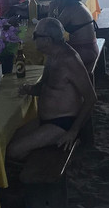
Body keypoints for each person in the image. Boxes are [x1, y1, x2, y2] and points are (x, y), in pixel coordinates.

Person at [7, 17, 97, 160]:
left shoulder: (70, 60)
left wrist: (73, 131)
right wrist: (28, 89)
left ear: (48, 40)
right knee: (7, 142)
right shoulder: (51, 56)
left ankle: (39, 164)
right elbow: (45, 86)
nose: (33, 38)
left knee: (14, 150)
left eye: (35, 35)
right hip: (45, 119)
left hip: (63, 123)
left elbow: (91, 98)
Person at [51, 0, 100, 75]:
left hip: (84, 52)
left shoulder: (70, 9)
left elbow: (52, 29)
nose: (55, 0)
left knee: (51, 54)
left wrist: (51, 10)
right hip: (91, 48)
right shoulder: (79, 4)